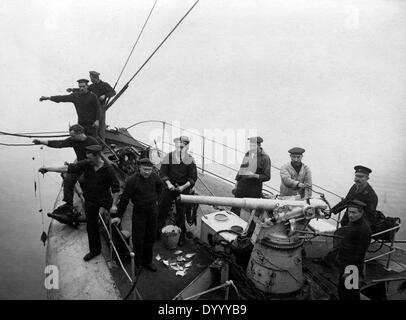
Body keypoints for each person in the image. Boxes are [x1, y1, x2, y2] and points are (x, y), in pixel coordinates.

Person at [39, 145, 120, 262]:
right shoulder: (87, 164)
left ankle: (120, 248)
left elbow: (116, 188)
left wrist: (114, 205)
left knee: (115, 221)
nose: (88, 160)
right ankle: (95, 250)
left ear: (97, 156)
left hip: (104, 199)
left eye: (90, 157)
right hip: (90, 200)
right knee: (91, 226)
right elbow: (69, 168)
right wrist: (48, 169)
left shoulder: (108, 169)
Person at [33, 124, 99, 213]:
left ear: (80, 133)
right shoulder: (73, 140)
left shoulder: (92, 142)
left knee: (90, 187)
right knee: (68, 180)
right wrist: (41, 142)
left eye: (73, 135)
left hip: (91, 166)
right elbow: (59, 143)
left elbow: (96, 159)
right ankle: (68, 204)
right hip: (79, 165)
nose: (71, 137)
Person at [111, 158, 163, 272]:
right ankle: (138, 264)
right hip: (139, 211)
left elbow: (160, 187)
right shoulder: (131, 180)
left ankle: (148, 261)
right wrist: (119, 216)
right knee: (138, 239)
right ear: (139, 168)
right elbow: (124, 199)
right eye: (145, 169)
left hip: (152, 210)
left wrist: (156, 200)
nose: (147, 172)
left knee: (150, 237)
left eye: (149, 170)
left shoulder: (155, 177)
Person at [157, 136, 197, 246]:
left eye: (182, 147)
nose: (180, 149)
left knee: (181, 214)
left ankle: (181, 237)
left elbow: (193, 178)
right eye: (178, 146)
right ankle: (157, 232)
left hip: (183, 190)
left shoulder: (190, 160)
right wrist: (169, 184)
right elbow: (163, 173)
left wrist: (183, 187)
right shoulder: (169, 157)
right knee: (162, 210)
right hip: (169, 188)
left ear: (187, 147)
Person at [335, 200, 372, 300]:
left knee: (350, 294)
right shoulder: (353, 222)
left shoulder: (364, 230)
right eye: (349, 212)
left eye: (354, 212)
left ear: (361, 212)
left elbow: (360, 255)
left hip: (351, 268)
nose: (350, 215)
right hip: (344, 263)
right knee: (342, 290)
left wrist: (350, 271)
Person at [230, 136, 271, 216]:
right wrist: (237, 183)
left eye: (254, 146)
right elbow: (241, 168)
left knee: (253, 211)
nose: (252, 148)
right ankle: (233, 225)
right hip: (242, 184)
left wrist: (254, 175)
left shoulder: (265, 158)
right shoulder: (248, 153)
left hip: (254, 188)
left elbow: (267, 176)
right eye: (251, 145)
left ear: (259, 145)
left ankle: (251, 228)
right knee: (235, 207)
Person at [88, 71, 116, 140]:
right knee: (93, 126)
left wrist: (105, 95)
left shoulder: (104, 85)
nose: (91, 80)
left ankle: (102, 144)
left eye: (91, 78)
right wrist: (73, 90)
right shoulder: (92, 86)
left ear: (95, 78)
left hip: (101, 107)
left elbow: (113, 92)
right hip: (92, 108)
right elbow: (85, 90)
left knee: (101, 126)